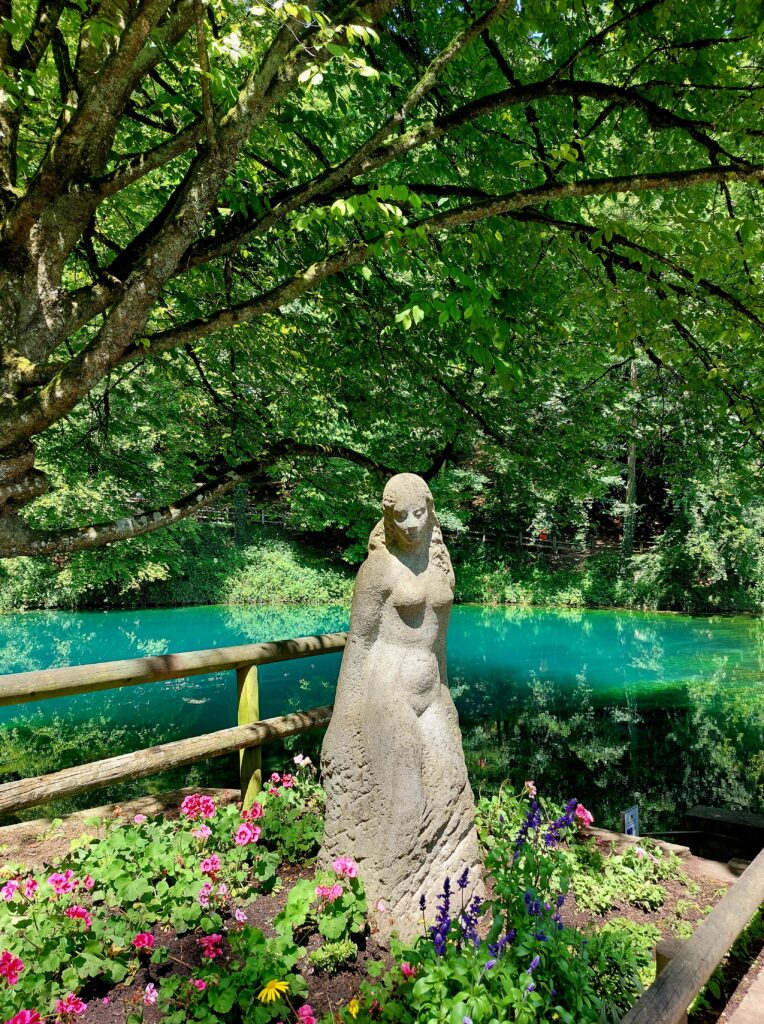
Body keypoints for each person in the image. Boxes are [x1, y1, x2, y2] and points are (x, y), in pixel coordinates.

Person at [320, 473, 482, 940]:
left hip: (431, 693)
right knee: (406, 800)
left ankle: (456, 893)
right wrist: (343, 717)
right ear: (386, 517)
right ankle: (392, 908)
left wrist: (446, 696)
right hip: (384, 691)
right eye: (399, 516)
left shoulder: (441, 566)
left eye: (419, 513)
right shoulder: (378, 571)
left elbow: (440, 644)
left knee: (450, 786)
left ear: (432, 510)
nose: (411, 524)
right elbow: (360, 643)